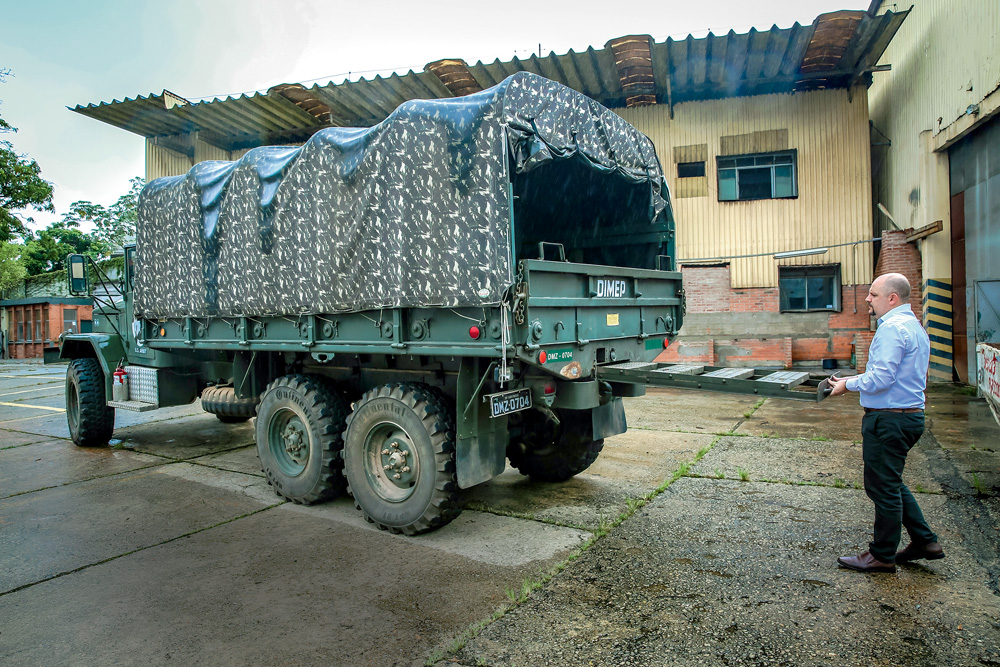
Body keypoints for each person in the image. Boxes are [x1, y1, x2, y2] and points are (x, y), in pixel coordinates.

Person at [829, 272, 943, 573]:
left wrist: (847, 384)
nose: (867, 299)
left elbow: (881, 379)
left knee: (882, 488)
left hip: (889, 420)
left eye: (873, 294)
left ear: (892, 298)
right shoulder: (915, 327)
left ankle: (881, 555)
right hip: (909, 417)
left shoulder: (892, 328)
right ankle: (925, 541)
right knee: (891, 483)